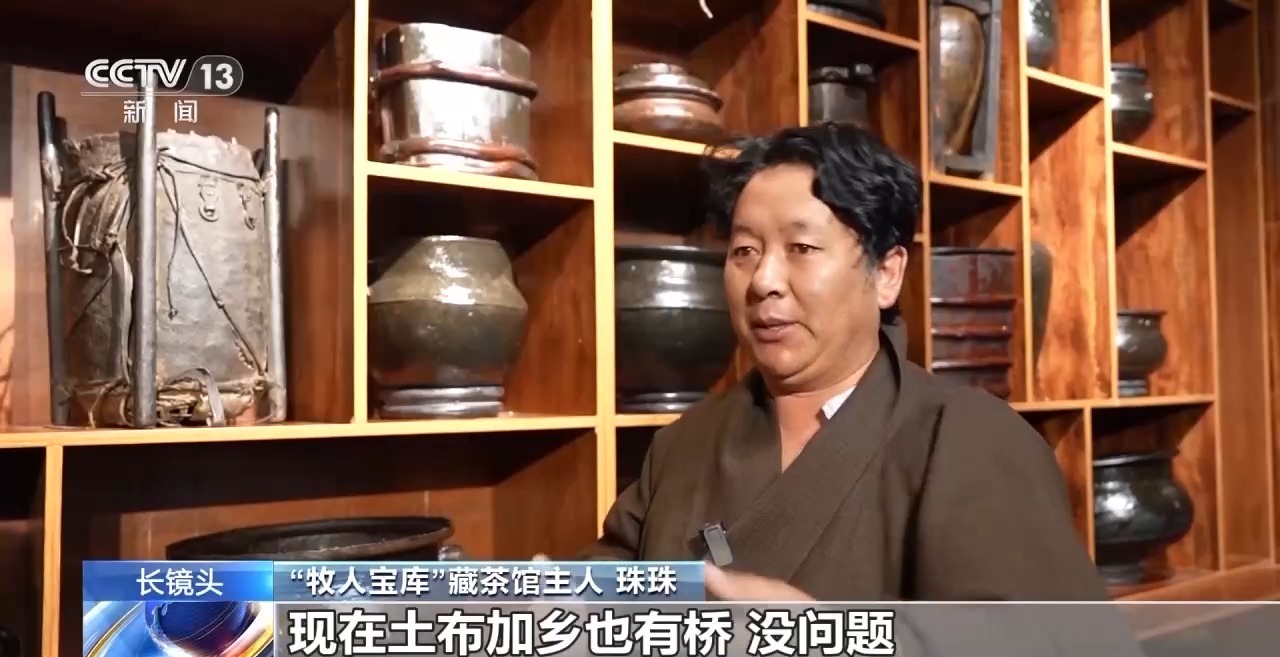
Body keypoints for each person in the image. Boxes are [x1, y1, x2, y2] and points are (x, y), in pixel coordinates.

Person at [579, 122, 1111, 602]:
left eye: (801, 248)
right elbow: (610, 583)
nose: (763, 281)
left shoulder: (968, 440)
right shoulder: (683, 446)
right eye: (745, 251)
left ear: (886, 273)